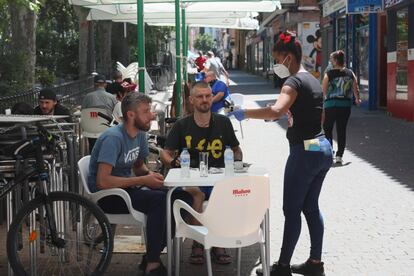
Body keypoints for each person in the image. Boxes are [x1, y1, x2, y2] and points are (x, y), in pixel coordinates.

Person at [229, 31, 332, 276]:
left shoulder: (293, 81)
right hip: (321, 147)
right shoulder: (313, 80)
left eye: (277, 59)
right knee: (311, 207)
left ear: (288, 57)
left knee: (291, 210)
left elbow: (275, 110)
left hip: (304, 152)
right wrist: (293, 118)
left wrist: (245, 113)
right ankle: (315, 263)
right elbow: (318, 115)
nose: (276, 65)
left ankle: (282, 266)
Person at [87, 93, 193, 276]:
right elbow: (102, 181)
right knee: (159, 201)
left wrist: (154, 177)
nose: (152, 115)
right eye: (146, 111)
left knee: (181, 196)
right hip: (109, 196)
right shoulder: (113, 138)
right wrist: (143, 181)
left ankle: (152, 255)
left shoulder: (140, 135)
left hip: (128, 189)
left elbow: (138, 167)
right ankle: (152, 262)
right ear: (130, 115)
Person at [160, 81, 242, 265]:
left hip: (218, 179)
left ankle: (218, 242)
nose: (205, 100)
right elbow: (166, 153)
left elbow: (237, 149)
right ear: (191, 100)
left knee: (221, 195)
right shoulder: (181, 125)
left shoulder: (223, 122)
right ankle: (198, 243)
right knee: (196, 194)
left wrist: (236, 162)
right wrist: (172, 162)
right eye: (200, 96)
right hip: (191, 179)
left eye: (208, 96)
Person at [322, 50, 361, 165]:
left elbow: (323, 90)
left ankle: (330, 153)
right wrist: (357, 99)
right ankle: (339, 155)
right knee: (341, 130)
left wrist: (323, 103)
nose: (330, 61)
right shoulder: (350, 73)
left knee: (327, 128)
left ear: (335, 61)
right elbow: (356, 88)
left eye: (331, 59)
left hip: (331, 105)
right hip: (345, 105)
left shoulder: (328, 74)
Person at [82, 74, 118, 152]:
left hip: (91, 131)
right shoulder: (112, 97)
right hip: (107, 130)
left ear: (94, 84)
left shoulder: (88, 97)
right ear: (105, 84)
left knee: (93, 148)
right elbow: (116, 113)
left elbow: (83, 112)